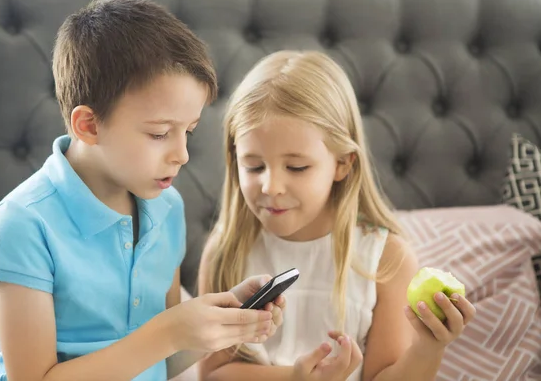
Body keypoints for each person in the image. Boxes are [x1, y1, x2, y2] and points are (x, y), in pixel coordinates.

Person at [0, 0, 284, 381]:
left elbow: (163, 361)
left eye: (188, 131)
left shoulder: (166, 207)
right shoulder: (22, 224)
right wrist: (167, 332)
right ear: (88, 125)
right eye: (159, 133)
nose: (182, 154)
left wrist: (217, 325)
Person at [198, 50, 477, 381]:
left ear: (343, 163)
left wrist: (428, 349)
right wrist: (296, 378)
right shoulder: (226, 250)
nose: (271, 186)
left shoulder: (385, 258)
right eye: (254, 165)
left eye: (297, 167)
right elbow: (213, 373)